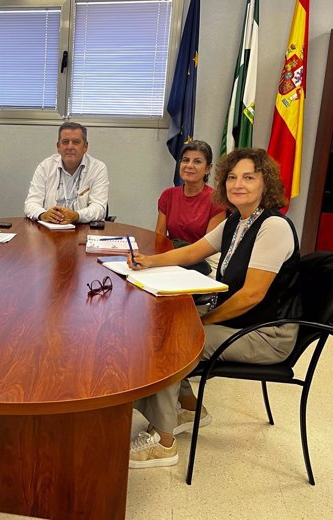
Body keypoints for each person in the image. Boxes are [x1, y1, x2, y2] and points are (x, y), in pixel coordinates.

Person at [128, 148, 301, 469]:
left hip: (268, 334)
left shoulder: (272, 226)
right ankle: (188, 407)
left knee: (176, 342)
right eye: (232, 177)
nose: (238, 184)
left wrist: (204, 322)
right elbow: (194, 251)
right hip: (243, 322)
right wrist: (148, 261)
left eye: (249, 177)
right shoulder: (239, 220)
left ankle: (164, 443)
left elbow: (251, 296)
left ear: (267, 183)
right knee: (169, 326)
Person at [156, 140, 226, 275]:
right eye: (185, 160)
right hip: (172, 259)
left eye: (197, 162)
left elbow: (210, 247)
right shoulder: (168, 195)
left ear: (208, 168)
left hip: (202, 264)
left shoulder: (216, 199)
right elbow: (159, 237)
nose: (189, 165)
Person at [24, 122, 109, 224]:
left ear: (85, 146)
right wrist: (43, 215)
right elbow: (31, 203)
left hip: (83, 229)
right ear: (58, 146)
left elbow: (99, 208)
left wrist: (77, 216)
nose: (70, 147)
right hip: (50, 230)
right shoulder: (45, 167)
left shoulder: (97, 168)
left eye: (76, 142)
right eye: (65, 142)